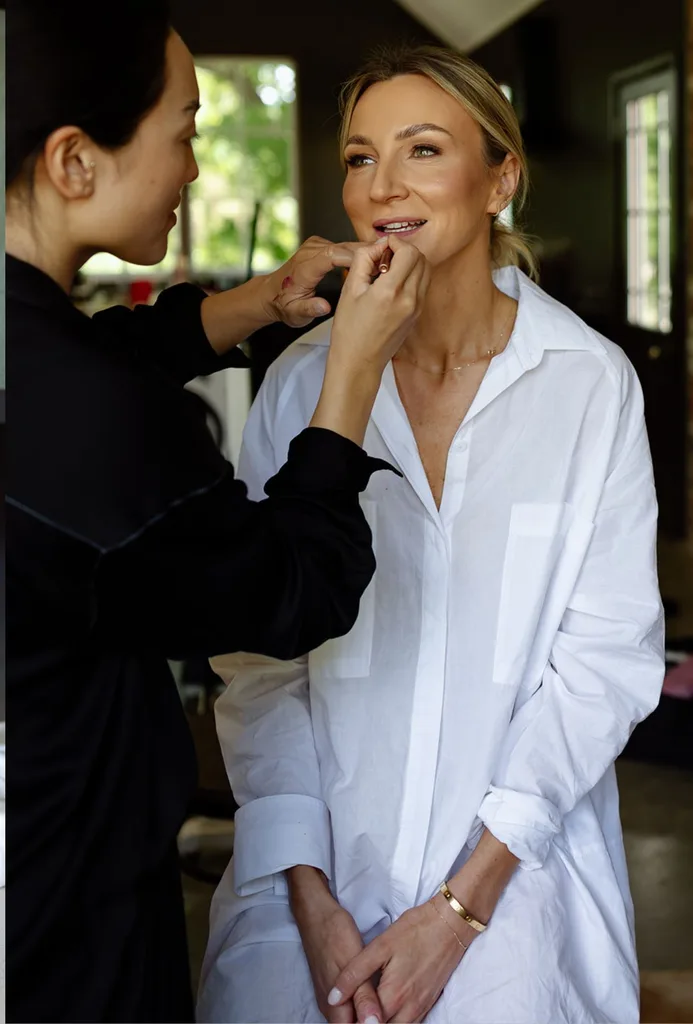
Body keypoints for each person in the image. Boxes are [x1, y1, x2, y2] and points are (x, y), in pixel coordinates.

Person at [199, 45, 665, 1024]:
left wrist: (460, 906)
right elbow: (259, 663)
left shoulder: (589, 385)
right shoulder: (300, 387)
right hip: (312, 863)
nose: (383, 185)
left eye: (422, 148)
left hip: (515, 873)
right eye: (361, 157)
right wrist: (309, 893)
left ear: (501, 178)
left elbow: (605, 663)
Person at [5, 5, 430, 1022]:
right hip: (62, 911)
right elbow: (295, 583)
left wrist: (252, 303)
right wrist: (351, 377)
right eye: (185, 131)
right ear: (74, 161)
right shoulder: (95, 420)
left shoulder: (43, 361)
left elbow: (87, 362)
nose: (195, 166)